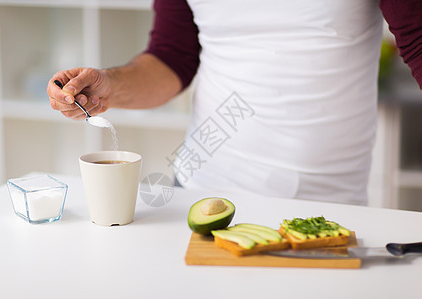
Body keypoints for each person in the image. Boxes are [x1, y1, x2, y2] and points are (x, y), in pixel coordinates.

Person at [47, 0, 422, 205]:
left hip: (327, 203)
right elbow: (172, 56)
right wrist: (109, 86)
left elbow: (418, 42)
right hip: (203, 190)